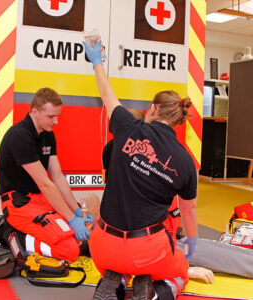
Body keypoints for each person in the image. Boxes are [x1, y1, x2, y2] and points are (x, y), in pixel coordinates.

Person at [83, 40, 198, 300]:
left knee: (119, 260)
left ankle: (117, 280)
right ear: (180, 120)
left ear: (152, 109)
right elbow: (189, 209)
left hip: (102, 246)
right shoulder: (184, 160)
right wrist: (193, 241)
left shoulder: (127, 128)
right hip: (147, 250)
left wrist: (97, 62)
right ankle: (154, 292)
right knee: (181, 271)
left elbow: (107, 94)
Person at [0, 88, 93, 262]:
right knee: (69, 251)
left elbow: (57, 177)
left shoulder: (48, 135)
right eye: (50, 116)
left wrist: (76, 211)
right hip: (19, 203)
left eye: (58, 116)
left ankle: (33, 232)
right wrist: (71, 218)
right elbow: (45, 183)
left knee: (85, 232)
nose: (56, 121)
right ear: (34, 111)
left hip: (40, 199)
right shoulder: (20, 136)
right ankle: (12, 234)